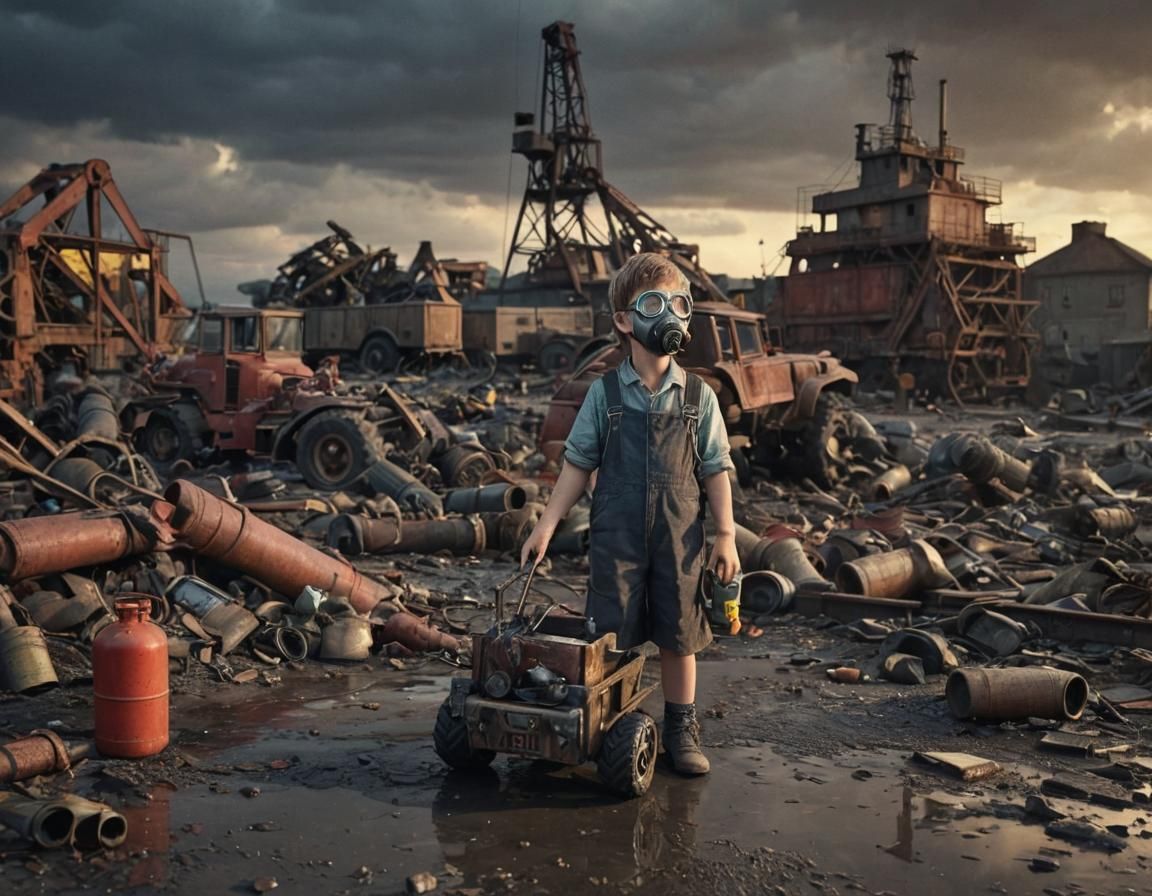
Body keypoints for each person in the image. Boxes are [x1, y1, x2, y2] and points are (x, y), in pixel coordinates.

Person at [519, 252, 739, 776]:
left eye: (678, 304)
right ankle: (601, 724)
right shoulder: (605, 394)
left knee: (678, 633)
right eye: (653, 304)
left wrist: (727, 534)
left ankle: (680, 729)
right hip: (616, 538)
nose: (669, 314)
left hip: (679, 536)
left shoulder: (698, 396)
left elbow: (716, 468)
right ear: (623, 320)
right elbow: (577, 464)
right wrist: (547, 523)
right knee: (610, 633)